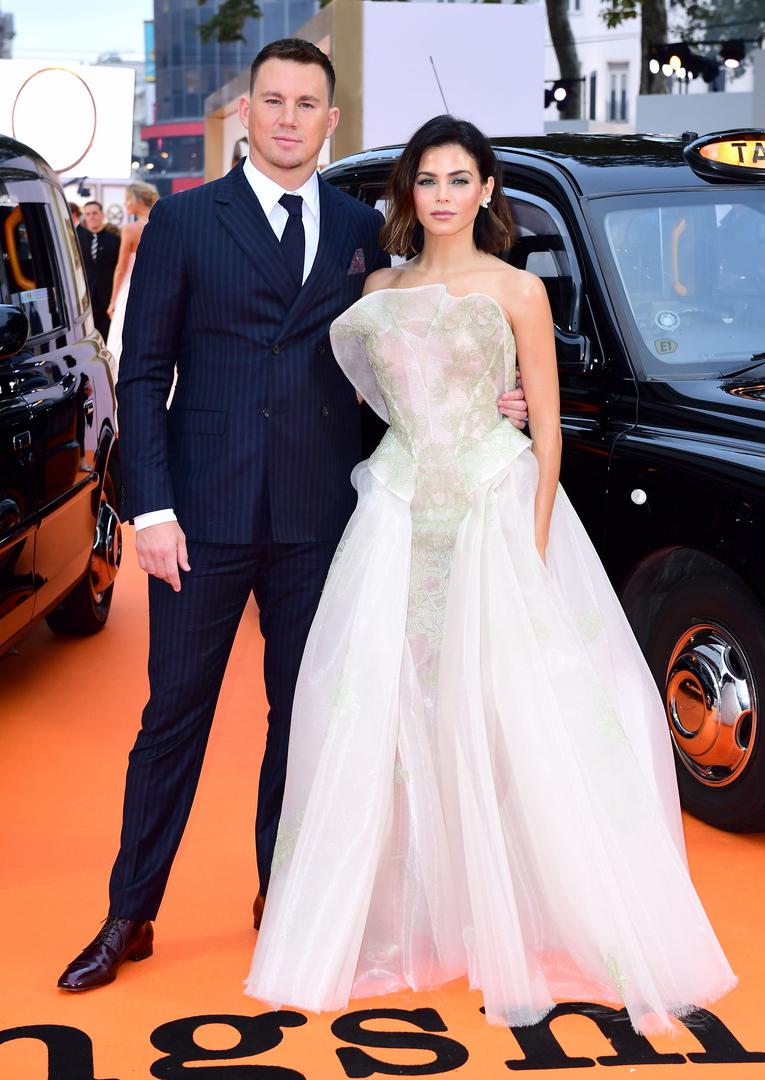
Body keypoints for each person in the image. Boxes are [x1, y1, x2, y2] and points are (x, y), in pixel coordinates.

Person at [55, 40, 531, 994]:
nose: (286, 118)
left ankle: (285, 895)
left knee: (305, 717)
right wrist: (151, 507)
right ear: (247, 115)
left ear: (330, 121)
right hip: (201, 515)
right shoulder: (185, 221)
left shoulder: (363, 229)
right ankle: (129, 913)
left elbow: (405, 347)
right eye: (271, 101)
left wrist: (489, 402)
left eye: (305, 104)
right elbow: (142, 373)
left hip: (321, 518)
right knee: (171, 717)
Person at [244, 115, 737, 1035]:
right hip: (397, 512)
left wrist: (532, 540)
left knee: (511, 709)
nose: (441, 196)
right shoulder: (378, 289)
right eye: (426, 180)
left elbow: (545, 427)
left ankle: (523, 911)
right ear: (409, 192)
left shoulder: (517, 289)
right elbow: (374, 393)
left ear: (485, 191)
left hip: (492, 509)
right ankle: (408, 912)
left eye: (458, 179)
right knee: (386, 706)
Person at [105, 181, 160, 377]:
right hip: (160, 288)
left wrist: (112, 301)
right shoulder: (165, 223)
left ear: (137, 200)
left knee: (122, 340)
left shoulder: (130, 229)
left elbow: (121, 268)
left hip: (131, 290)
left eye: (127, 199)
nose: (125, 204)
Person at [77, 200, 120, 343]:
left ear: (102, 215)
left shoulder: (115, 240)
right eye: (88, 214)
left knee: (107, 338)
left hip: (107, 299)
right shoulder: (76, 239)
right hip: (84, 298)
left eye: (95, 213)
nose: (91, 217)